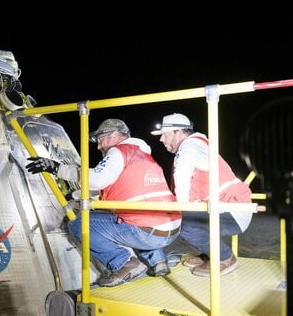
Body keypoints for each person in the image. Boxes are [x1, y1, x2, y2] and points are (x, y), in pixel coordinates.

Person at [26, 119, 181, 287]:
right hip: (171, 228)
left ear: (114, 135)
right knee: (139, 218)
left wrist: (57, 168)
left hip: (146, 231)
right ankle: (158, 263)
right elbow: (111, 189)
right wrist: (77, 196)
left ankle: (123, 263)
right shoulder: (142, 155)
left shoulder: (119, 151)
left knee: (79, 223)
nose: (99, 146)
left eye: (100, 140)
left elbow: (98, 180)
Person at [150, 113, 252, 276]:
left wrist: (180, 209)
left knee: (184, 224)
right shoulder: (198, 145)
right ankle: (209, 254)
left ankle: (224, 258)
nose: (161, 139)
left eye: (164, 134)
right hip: (229, 206)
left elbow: (182, 177)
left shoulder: (189, 147)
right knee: (187, 219)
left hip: (232, 210)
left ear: (179, 132)